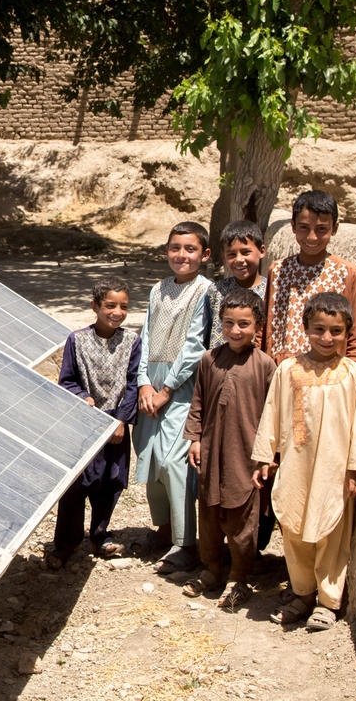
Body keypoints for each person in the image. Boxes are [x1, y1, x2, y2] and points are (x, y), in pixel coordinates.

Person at [252, 292, 356, 631]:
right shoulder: (288, 369)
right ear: (306, 328)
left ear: (347, 333)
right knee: (293, 524)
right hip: (295, 463)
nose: (327, 338)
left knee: (331, 529)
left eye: (336, 331)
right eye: (319, 329)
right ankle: (302, 592)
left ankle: (327, 601)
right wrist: (265, 455)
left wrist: (355, 468)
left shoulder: (353, 375)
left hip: (334, 469)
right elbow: (271, 412)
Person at [182, 288, 276, 609]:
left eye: (244, 324)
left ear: (257, 326)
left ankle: (239, 577)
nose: (235, 331)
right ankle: (212, 569)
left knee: (242, 520)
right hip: (211, 454)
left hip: (246, 457)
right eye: (228, 323)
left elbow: (272, 415)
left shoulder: (265, 365)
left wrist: (266, 457)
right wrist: (195, 438)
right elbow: (198, 402)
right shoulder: (210, 360)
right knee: (208, 516)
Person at [47, 277, 141, 569]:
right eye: (110, 305)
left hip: (115, 426)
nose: (117, 312)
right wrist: (82, 397)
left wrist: (121, 421)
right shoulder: (77, 340)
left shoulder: (132, 341)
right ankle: (66, 544)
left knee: (110, 483)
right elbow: (68, 380)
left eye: (124, 306)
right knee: (76, 487)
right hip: (85, 425)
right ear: (95, 306)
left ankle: (100, 536)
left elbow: (133, 383)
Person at [134, 221, 211, 574]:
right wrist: (144, 384)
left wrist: (166, 390)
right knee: (150, 458)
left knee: (173, 462)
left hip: (182, 387)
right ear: (166, 251)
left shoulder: (204, 292)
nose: (182, 255)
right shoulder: (158, 289)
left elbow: (195, 345)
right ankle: (163, 532)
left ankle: (185, 543)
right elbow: (147, 335)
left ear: (204, 255)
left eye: (190, 249)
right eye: (175, 248)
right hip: (153, 382)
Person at [262, 190, 356, 366]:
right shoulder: (279, 271)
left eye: (321, 229)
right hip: (281, 373)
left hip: (327, 377)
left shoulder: (347, 274)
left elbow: (355, 337)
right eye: (304, 227)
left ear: (335, 228)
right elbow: (264, 327)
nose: (312, 237)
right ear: (293, 226)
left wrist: (347, 377)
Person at [205, 220, 267, 349]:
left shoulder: (270, 292)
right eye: (232, 254)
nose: (239, 259)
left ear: (261, 251)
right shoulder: (216, 291)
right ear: (224, 256)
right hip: (217, 366)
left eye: (245, 252)